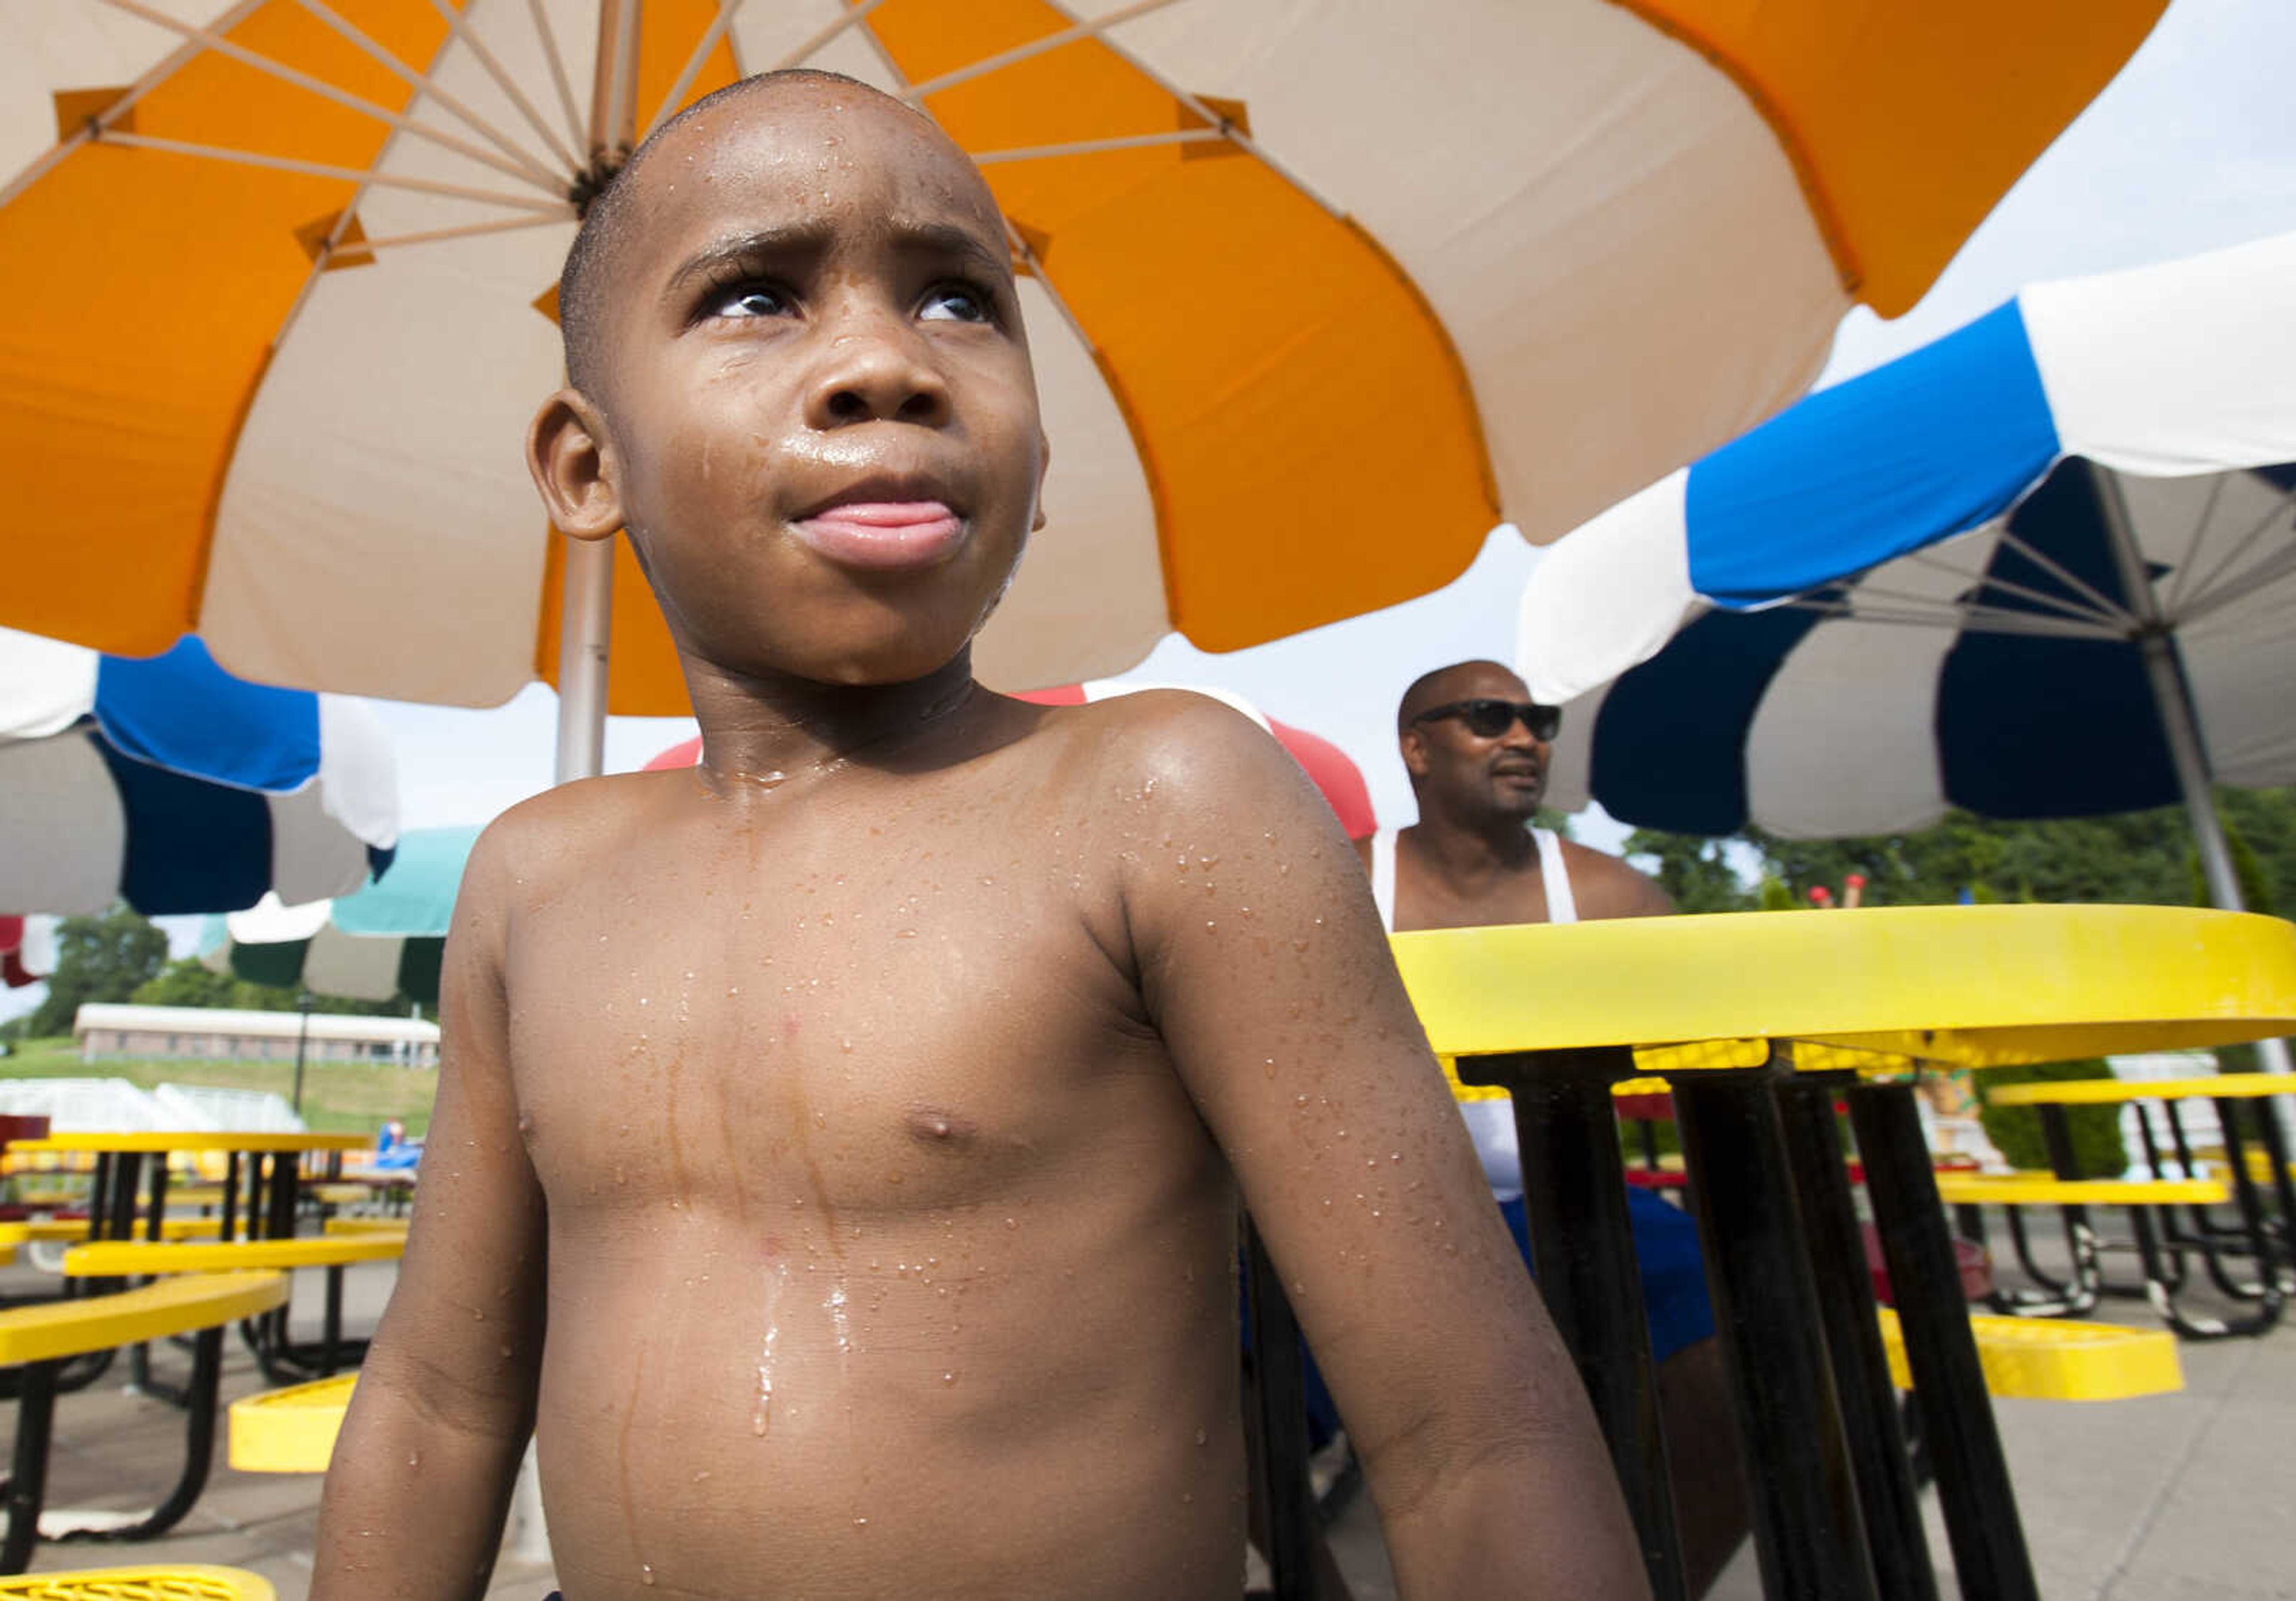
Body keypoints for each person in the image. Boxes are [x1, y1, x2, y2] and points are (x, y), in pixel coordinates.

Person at [309, 72, 1649, 1601]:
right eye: (756, 297)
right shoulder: (534, 878)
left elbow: (1469, 1431)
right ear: (587, 465)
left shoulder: (1161, 800)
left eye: (961, 302)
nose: (888, 362)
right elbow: (436, 1403)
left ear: (1040, 454)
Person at [1357, 658, 1750, 1596]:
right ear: (1417, 747)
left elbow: (1724, 1063)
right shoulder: (1337, 879)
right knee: (1209, 1360)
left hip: (1577, 1202)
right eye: (1490, 717)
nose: (1525, 737)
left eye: (1538, 720)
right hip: (1382, 1218)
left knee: (1760, 1361)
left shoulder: (1613, 898)